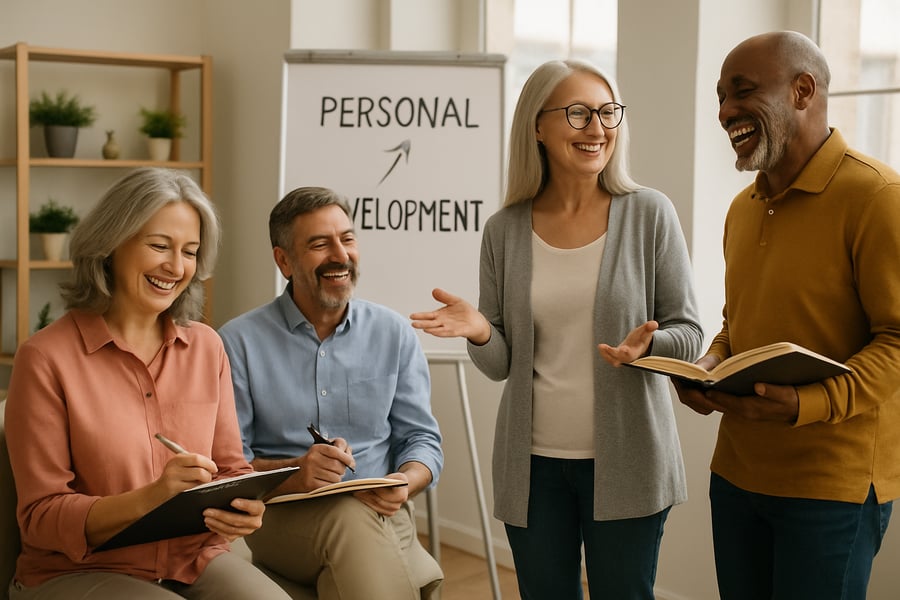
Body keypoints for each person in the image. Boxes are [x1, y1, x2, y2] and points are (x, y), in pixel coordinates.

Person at [409, 59, 702, 598]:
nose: (598, 128)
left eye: (608, 112)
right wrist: (481, 332)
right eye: (578, 113)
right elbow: (501, 365)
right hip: (533, 469)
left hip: (629, 461)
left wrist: (647, 347)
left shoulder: (649, 214)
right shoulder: (504, 230)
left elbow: (689, 332)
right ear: (538, 127)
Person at [673, 31, 900, 599]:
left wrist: (806, 404)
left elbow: (897, 341)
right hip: (736, 476)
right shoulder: (741, 208)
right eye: (720, 97)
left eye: (742, 91)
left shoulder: (878, 196)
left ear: (803, 90)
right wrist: (710, 364)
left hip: (832, 488)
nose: (725, 112)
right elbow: (738, 322)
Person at [5, 168, 291, 599]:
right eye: (159, 246)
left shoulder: (207, 347)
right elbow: (40, 517)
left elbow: (232, 469)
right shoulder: (45, 358)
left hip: (192, 559)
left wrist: (246, 507)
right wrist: (152, 497)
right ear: (110, 244)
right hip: (77, 570)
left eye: (190, 252)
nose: (176, 267)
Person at [218, 186, 444, 600]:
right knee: (354, 526)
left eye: (348, 239)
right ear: (284, 260)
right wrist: (296, 471)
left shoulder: (393, 333)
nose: (341, 255)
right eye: (320, 244)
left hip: (383, 511)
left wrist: (405, 481)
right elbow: (229, 467)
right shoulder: (237, 343)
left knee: (344, 572)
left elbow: (421, 439)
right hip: (282, 517)